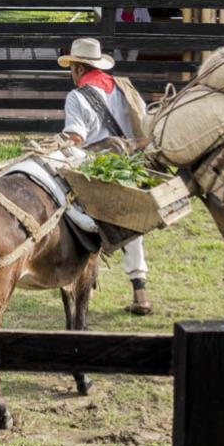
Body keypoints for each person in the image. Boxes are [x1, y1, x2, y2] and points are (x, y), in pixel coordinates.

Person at [52, 37, 153, 316]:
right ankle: (140, 292)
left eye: (72, 68)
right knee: (131, 229)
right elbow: (143, 124)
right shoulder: (124, 87)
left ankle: (79, 278)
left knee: (69, 214)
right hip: (130, 168)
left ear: (79, 68)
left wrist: (56, 144)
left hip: (95, 171)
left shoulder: (77, 96)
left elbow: (75, 138)